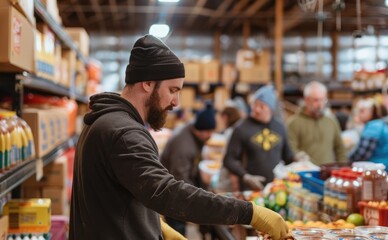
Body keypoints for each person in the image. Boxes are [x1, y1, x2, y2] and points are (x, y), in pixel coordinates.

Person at [69, 34, 288, 240]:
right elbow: (168, 193)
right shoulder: (124, 133)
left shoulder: (103, 121)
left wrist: (155, 226)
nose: (176, 102)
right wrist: (250, 213)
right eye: (173, 90)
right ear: (147, 83)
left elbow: (118, 196)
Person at [223, 85, 295, 191]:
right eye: (255, 104)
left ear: (271, 109)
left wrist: (297, 158)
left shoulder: (279, 127)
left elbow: (287, 156)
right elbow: (229, 159)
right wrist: (245, 176)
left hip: (276, 189)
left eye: (262, 106)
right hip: (250, 189)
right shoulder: (241, 128)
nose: (256, 109)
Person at [160, 102, 217, 236]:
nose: (210, 135)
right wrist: (199, 197)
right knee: (177, 230)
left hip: (179, 184)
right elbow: (179, 179)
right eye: (208, 131)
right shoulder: (184, 147)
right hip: (172, 193)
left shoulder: (193, 134)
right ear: (199, 129)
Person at [287, 81, 346, 166]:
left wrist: (342, 168)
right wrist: (301, 159)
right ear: (306, 100)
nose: (320, 104)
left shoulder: (331, 121)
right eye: (316, 100)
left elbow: (340, 148)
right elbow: (291, 149)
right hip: (305, 173)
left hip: (328, 172)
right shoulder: (293, 123)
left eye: (323, 100)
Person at [349, 99, 388, 171]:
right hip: (385, 166)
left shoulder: (373, 127)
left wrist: (348, 160)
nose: (359, 114)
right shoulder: (378, 124)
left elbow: (361, 154)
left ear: (371, 112)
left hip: (380, 168)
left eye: (362, 111)